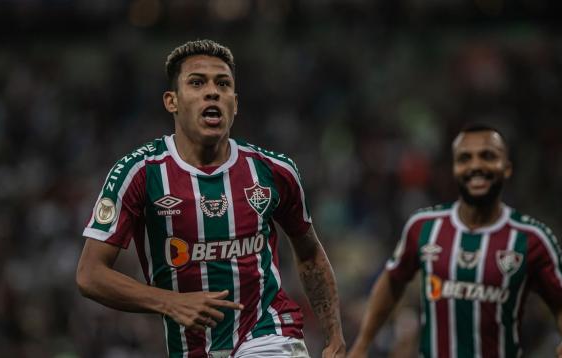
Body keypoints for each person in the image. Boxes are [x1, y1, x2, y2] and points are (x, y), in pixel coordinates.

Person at [76, 39, 346, 358]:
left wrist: (334, 336)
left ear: (235, 102)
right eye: (196, 82)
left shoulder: (274, 170)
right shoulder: (139, 172)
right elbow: (90, 274)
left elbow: (310, 253)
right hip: (191, 349)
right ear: (171, 101)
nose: (212, 91)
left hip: (269, 334)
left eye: (223, 84)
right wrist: (168, 301)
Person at [347, 125, 562, 358]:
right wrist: (363, 342)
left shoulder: (532, 238)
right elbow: (392, 281)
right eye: (465, 158)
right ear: (454, 168)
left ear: (507, 168)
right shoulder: (424, 227)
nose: (476, 166)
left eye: (488, 156)